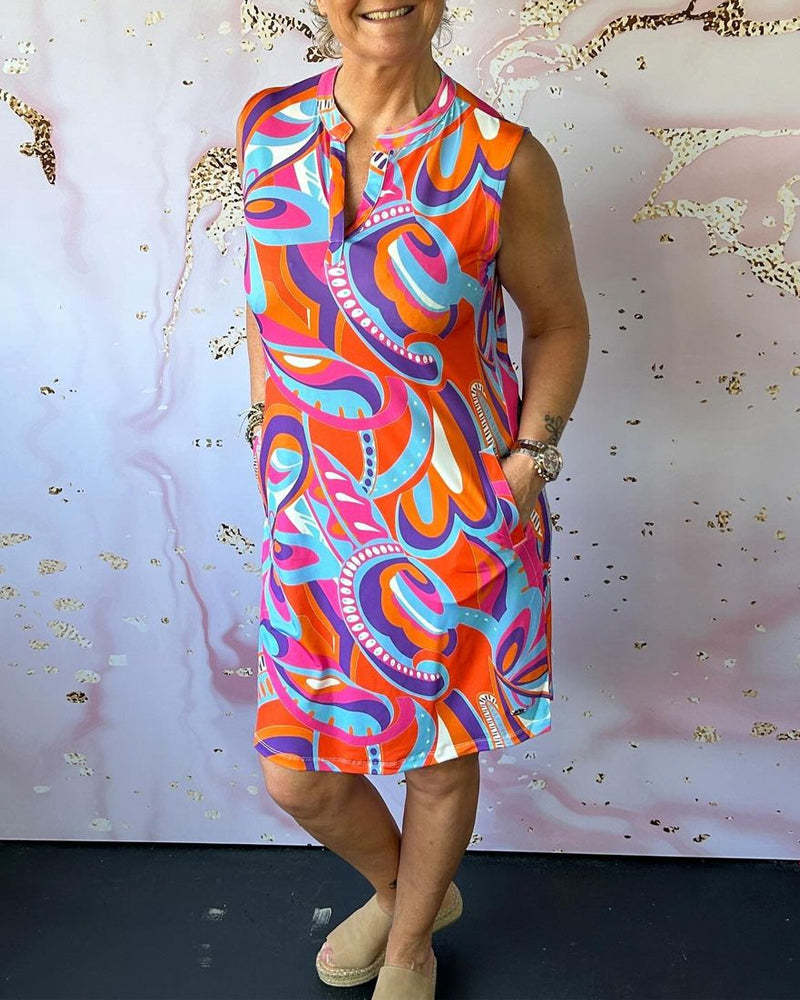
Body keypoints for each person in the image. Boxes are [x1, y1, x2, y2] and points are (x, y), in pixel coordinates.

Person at [235, 2, 589, 997]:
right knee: (298, 772)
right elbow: (264, 286)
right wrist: (264, 417)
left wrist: (527, 463)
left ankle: (409, 949)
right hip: (311, 513)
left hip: (452, 512)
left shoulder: (501, 159)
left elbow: (558, 323)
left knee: (434, 756)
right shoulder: (266, 125)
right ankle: (413, 893)